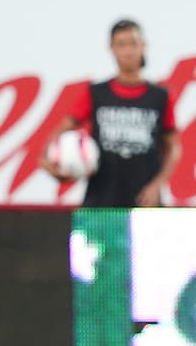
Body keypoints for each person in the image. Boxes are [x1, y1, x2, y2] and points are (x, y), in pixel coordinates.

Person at [43, 19, 182, 209]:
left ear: (143, 45)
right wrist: (48, 161)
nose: (128, 51)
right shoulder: (96, 93)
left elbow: (173, 148)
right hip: (101, 202)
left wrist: (157, 185)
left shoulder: (160, 97)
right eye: (121, 44)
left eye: (133, 43)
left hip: (145, 202)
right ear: (112, 48)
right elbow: (64, 128)